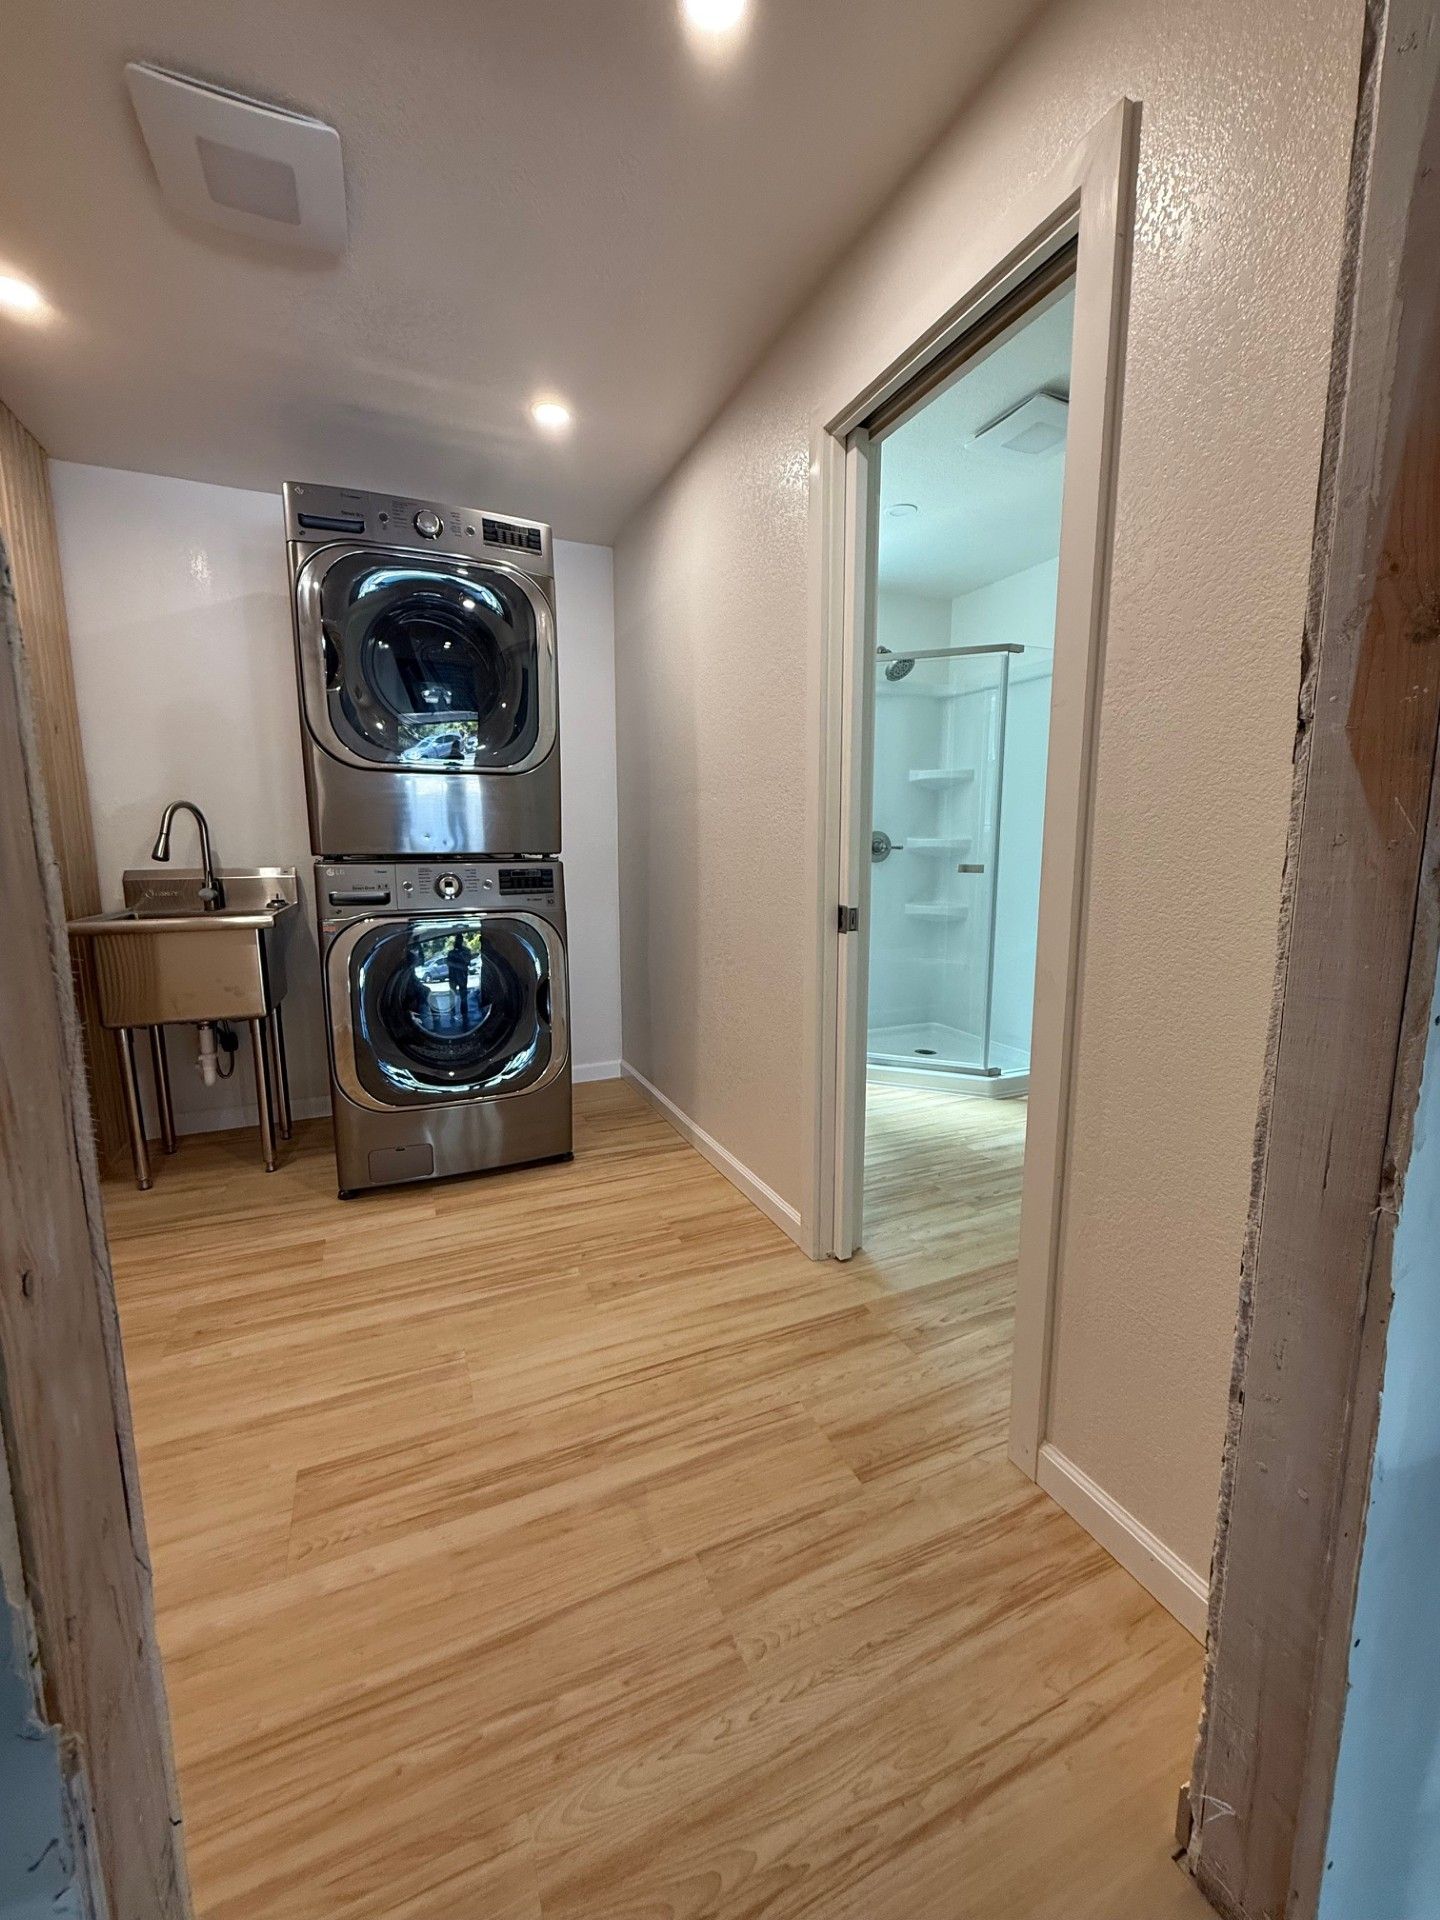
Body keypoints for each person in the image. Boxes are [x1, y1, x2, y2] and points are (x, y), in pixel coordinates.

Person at [446, 932, 471, 1027]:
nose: (458, 941)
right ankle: (452, 1014)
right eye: (457, 939)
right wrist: (459, 965)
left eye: (459, 939)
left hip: (462, 977)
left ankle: (464, 1015)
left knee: (463, 997)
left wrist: (456, 962)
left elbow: (467, 962)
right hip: (453, 977)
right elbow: (448, 963)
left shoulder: (466, 951)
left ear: (462, 940)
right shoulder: (451, 952)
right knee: (452, 996)